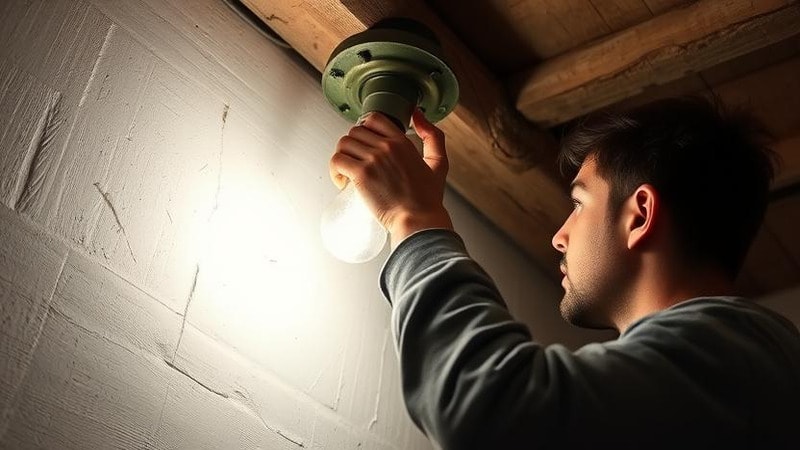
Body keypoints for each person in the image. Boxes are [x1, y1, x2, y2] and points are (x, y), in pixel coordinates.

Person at [329, 96, 800, 449]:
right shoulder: (729, 380)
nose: (559, 236)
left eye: (578, 204)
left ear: (639, 216)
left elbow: (491, 407)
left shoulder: (736, 356)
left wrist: (415, 220)